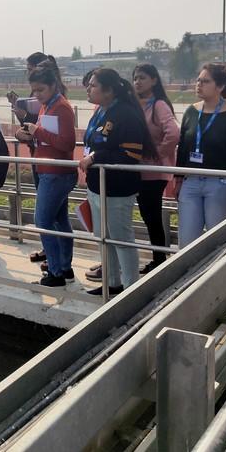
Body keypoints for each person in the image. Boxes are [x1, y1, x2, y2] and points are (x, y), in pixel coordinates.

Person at [79, 68, 153, 296]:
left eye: (93, 85)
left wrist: (96, 157)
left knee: (121, 239)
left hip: (117, 189)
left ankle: (131, 290)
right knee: (104, 238)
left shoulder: (125, 115)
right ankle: (112, 284)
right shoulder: (101, 111)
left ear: (109, 90)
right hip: (97, 185)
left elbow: (130, 155)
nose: (88, 89)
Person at [16, 67, 77, 287]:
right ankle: (64, 267)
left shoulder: (61, 107)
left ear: (53, 85)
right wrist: (27, 135)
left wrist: (37, 131)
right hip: (48, 170)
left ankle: (56, 271)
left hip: (56, 173)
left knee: (42, 221)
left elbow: (67, 144)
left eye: (41, 89)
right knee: (59, 220)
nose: (37, 94)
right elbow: (46, 139)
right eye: (34, 90)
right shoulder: (47, 105)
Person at [176, 64, 226, 247]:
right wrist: (178, 178)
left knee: (218, 241)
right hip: (191, 182)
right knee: (187, 242)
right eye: (198, 80)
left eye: (205, 81)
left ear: (220, 86)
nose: (199, 84)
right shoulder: (191, 111)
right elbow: (183, 146)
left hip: (220, 184)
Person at [132, 64, 179, 274]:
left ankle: (160, 259)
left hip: (154, 172)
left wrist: (158, 155)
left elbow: (173, 133)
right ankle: (158, 258)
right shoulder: (137, 105)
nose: (137, 82)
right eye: (135, 78)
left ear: (154, 80)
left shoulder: (159, 105)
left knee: (152, 215)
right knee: (147, 214)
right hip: (141, 171)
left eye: (142, 78)